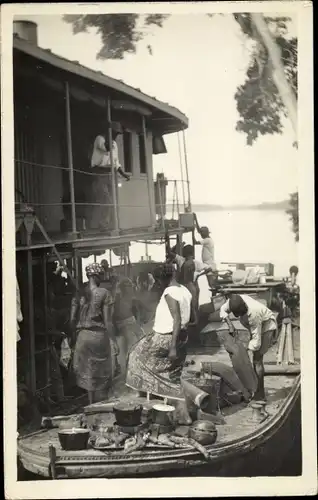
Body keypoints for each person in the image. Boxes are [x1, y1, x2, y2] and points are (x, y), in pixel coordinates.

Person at [126, 263, 193, 424]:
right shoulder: (185, 291)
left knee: (135, 359)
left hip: (168, 338)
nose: (158, 284)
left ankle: (142, 402)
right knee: (172, 377)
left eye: (158, 280)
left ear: (164, 278)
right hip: (182, 336)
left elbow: (176, 319)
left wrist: (172, 347)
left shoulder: (169, 292)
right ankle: (184, 416)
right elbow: (190, 317)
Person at [70, 263, 119, 405]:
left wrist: (74, 337)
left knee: (88, 372)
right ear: (96, 276)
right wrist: (113, 341)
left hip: (82, 337)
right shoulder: (104, 293)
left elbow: (72, 319)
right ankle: (101, 404)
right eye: (102, 275)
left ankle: (91, 403)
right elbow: (108, 322)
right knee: (102, 371)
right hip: (98, 337)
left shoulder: (79, 294)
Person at [219, 294, 278, 402]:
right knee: (249, 357)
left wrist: (244, 350)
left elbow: (256, 341)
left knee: (257, 359)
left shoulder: (254, 313)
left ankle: (260, 393)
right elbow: (223, 310)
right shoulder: (234, 300)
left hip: (267, 326)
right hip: (255, 325)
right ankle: (253, 387)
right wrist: (230, 325)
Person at [90, 123, 130, 231]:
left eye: (117, 134)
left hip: (110, 173)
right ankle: (103, 225)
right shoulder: (100, 139)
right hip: (99, 172)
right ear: (109, 131)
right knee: (106, 200)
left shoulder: (114, 144)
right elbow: (105, 148)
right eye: (115, 133)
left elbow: (115, 162)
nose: (116, 136)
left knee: (114, 200)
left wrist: (123, 173)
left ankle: (113, 225)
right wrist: (110, 138)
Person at [113, 277, 144, 377]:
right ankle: (130, 370)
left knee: (142, 341)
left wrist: (138, 323)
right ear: (122, 287)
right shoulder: (116, 298)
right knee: (130, 345)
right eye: (127, 285)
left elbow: (138, 312)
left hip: (131, 321)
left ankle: (136, 368)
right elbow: (113, 314)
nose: (129, 287)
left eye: (130, 285)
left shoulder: (132, 298)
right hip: (122, 324)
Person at [194, 215, 217, 289]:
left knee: (212, 285)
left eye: (201, 234)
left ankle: (214, 298)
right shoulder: (208, 239)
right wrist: (195, 219)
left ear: (205, 233)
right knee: (211, 285)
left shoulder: (207, 240)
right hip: (208, 264)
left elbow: (195, 242)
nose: (201, 235)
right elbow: (199, 230)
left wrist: (192, 233)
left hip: (209, 265)